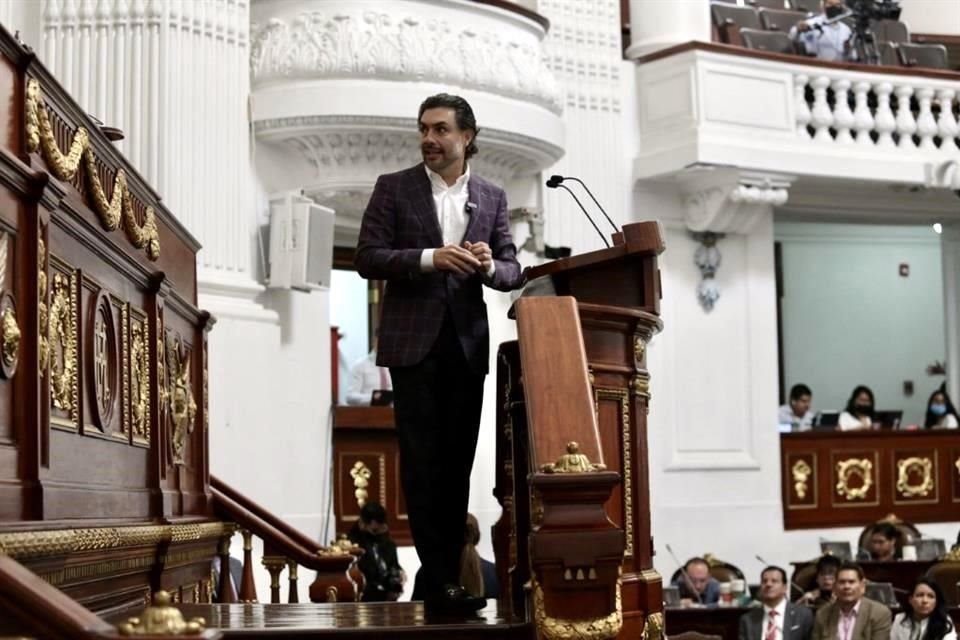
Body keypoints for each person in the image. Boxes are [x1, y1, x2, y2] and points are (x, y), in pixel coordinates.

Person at [354, 93, 524, 613]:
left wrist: (488, 264)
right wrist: (430, 258)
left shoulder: (492, 197)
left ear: (466, 136)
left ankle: (444, 577)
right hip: (413, 346)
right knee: (423, 465)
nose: (429, 138)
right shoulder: (394, 188)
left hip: (466, 345)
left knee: (457, 464)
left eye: (440, 129)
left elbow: (514, 270)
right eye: (424, 129)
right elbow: (367, 256)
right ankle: (439, 577)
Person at [812, 562, 891, 640]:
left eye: (851, 582)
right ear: (834, 587)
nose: (847, 586)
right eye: (842, 582)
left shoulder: (879, 613)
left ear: (862, 586)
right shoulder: (822, 614)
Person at [347, 501, 405, 602]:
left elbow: (393, 566)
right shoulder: (353, 546)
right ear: (362, 524)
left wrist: (400, 574)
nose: (379, 534)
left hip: (388, 598)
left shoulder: (387, 541)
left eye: (381, 530)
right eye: (375, 531)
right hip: (367, 597)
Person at [739, 565, 814, 640]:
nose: (768, 584)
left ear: (784, 588)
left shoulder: (803, 615)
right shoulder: (748, 620)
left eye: (774, 581)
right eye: (764, 581)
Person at [789, 0, 854, 62]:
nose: (834, 7)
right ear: (823, 6)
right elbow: (792, 35)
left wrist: (848, 49)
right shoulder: (814, 23)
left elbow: (852, 55)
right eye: (830, 4)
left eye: (837, 5)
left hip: (839, 69)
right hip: (817, 67)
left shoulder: (846, 30)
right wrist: (798, 29)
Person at [891, 578, 957, 640]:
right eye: (920, 595)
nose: (925, 601)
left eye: (930, 596)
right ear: (910, 600)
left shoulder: (945, 621)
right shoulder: (900, 619)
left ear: (937, 601)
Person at [345, 336, 393, 406]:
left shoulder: (394, 366)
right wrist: (373, 397)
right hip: (367, 414)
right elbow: (350, 397)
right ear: (374, 341)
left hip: (391, 414)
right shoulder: (360, 366)